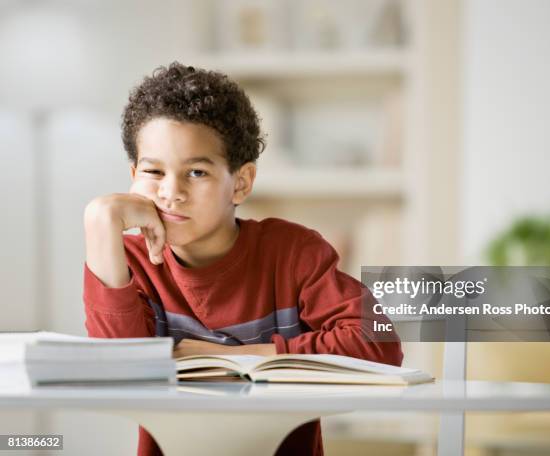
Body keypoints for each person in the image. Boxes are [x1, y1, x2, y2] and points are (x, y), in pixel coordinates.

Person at [83, 62, 403, 456]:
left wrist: (228, 356)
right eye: (153, 171)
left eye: (197, 172)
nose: (171, 192)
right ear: (133, 174)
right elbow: (118, 373)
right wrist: (100, 222)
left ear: (241, 182)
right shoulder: (128, 263)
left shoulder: (292, 253)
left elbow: (381, 344)